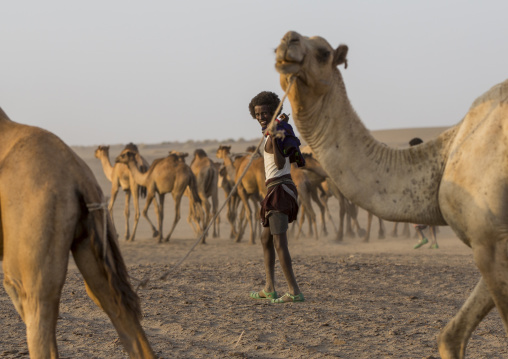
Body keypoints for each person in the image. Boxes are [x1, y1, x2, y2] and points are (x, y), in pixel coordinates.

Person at [248, 91, 305, 303]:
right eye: (258, 113)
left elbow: (281, 164)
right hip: (272, 189)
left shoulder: (275, 135)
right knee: (265, 238)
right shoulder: (272, 132)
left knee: (280, 243)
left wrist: (273, 137)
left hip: (280, 190)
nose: (261, 116)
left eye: (265, 113)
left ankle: (294, 291)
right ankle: (269, 288)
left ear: (274, 111)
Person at [409, 137, 439, 249]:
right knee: (430, 219)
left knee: (414, 216)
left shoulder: (416, 159)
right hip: (430, 190)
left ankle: (422, 238)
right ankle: (434, 242)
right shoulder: (428, 157)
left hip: (420, 191)